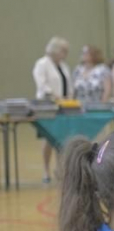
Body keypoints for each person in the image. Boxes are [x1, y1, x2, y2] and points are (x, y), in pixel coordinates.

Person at [32, 36, 71, 183]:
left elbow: (68, 83)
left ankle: (60, 170)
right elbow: (42, 85)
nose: (65, 54)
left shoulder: (63, 66)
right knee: (48, 139)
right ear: (55, 50)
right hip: (47, 106)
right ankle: (46, 170)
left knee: (62, 139)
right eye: (63, 50)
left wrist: (69, 97)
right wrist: (56, 96)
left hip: (64, 106)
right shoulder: (42, 64)